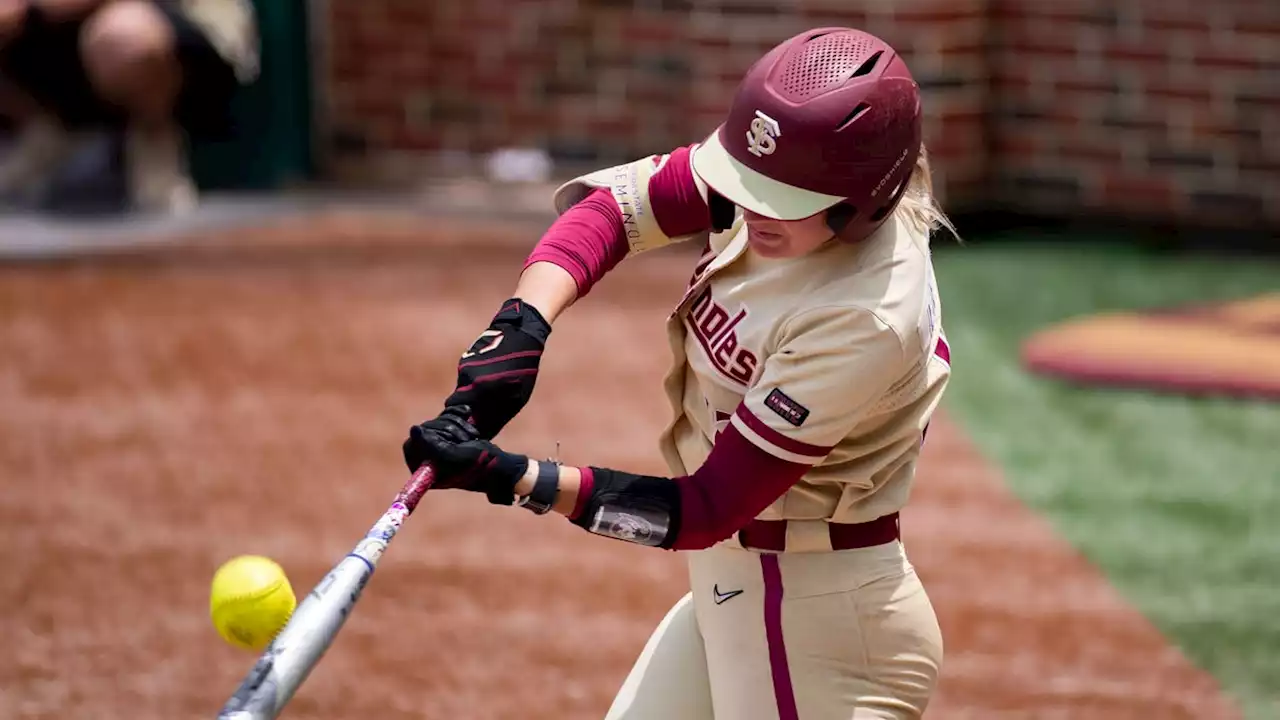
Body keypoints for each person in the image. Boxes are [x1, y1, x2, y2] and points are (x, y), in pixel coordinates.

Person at [402, 27, 958, 720]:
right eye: (746, 184)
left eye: (777, 198)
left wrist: (513, 476)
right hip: (737, 596)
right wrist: (522, 327)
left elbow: (705, 509)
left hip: (822, 640)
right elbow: (614, 212)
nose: (749, 206)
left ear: (861, 200)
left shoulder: (864, 317)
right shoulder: (786, 174)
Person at [0, 0, 259, 214]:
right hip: (62, 36)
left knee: (122, 38)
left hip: (184, 29)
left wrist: (27, 6)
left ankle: (153, 136)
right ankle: (48, 129)